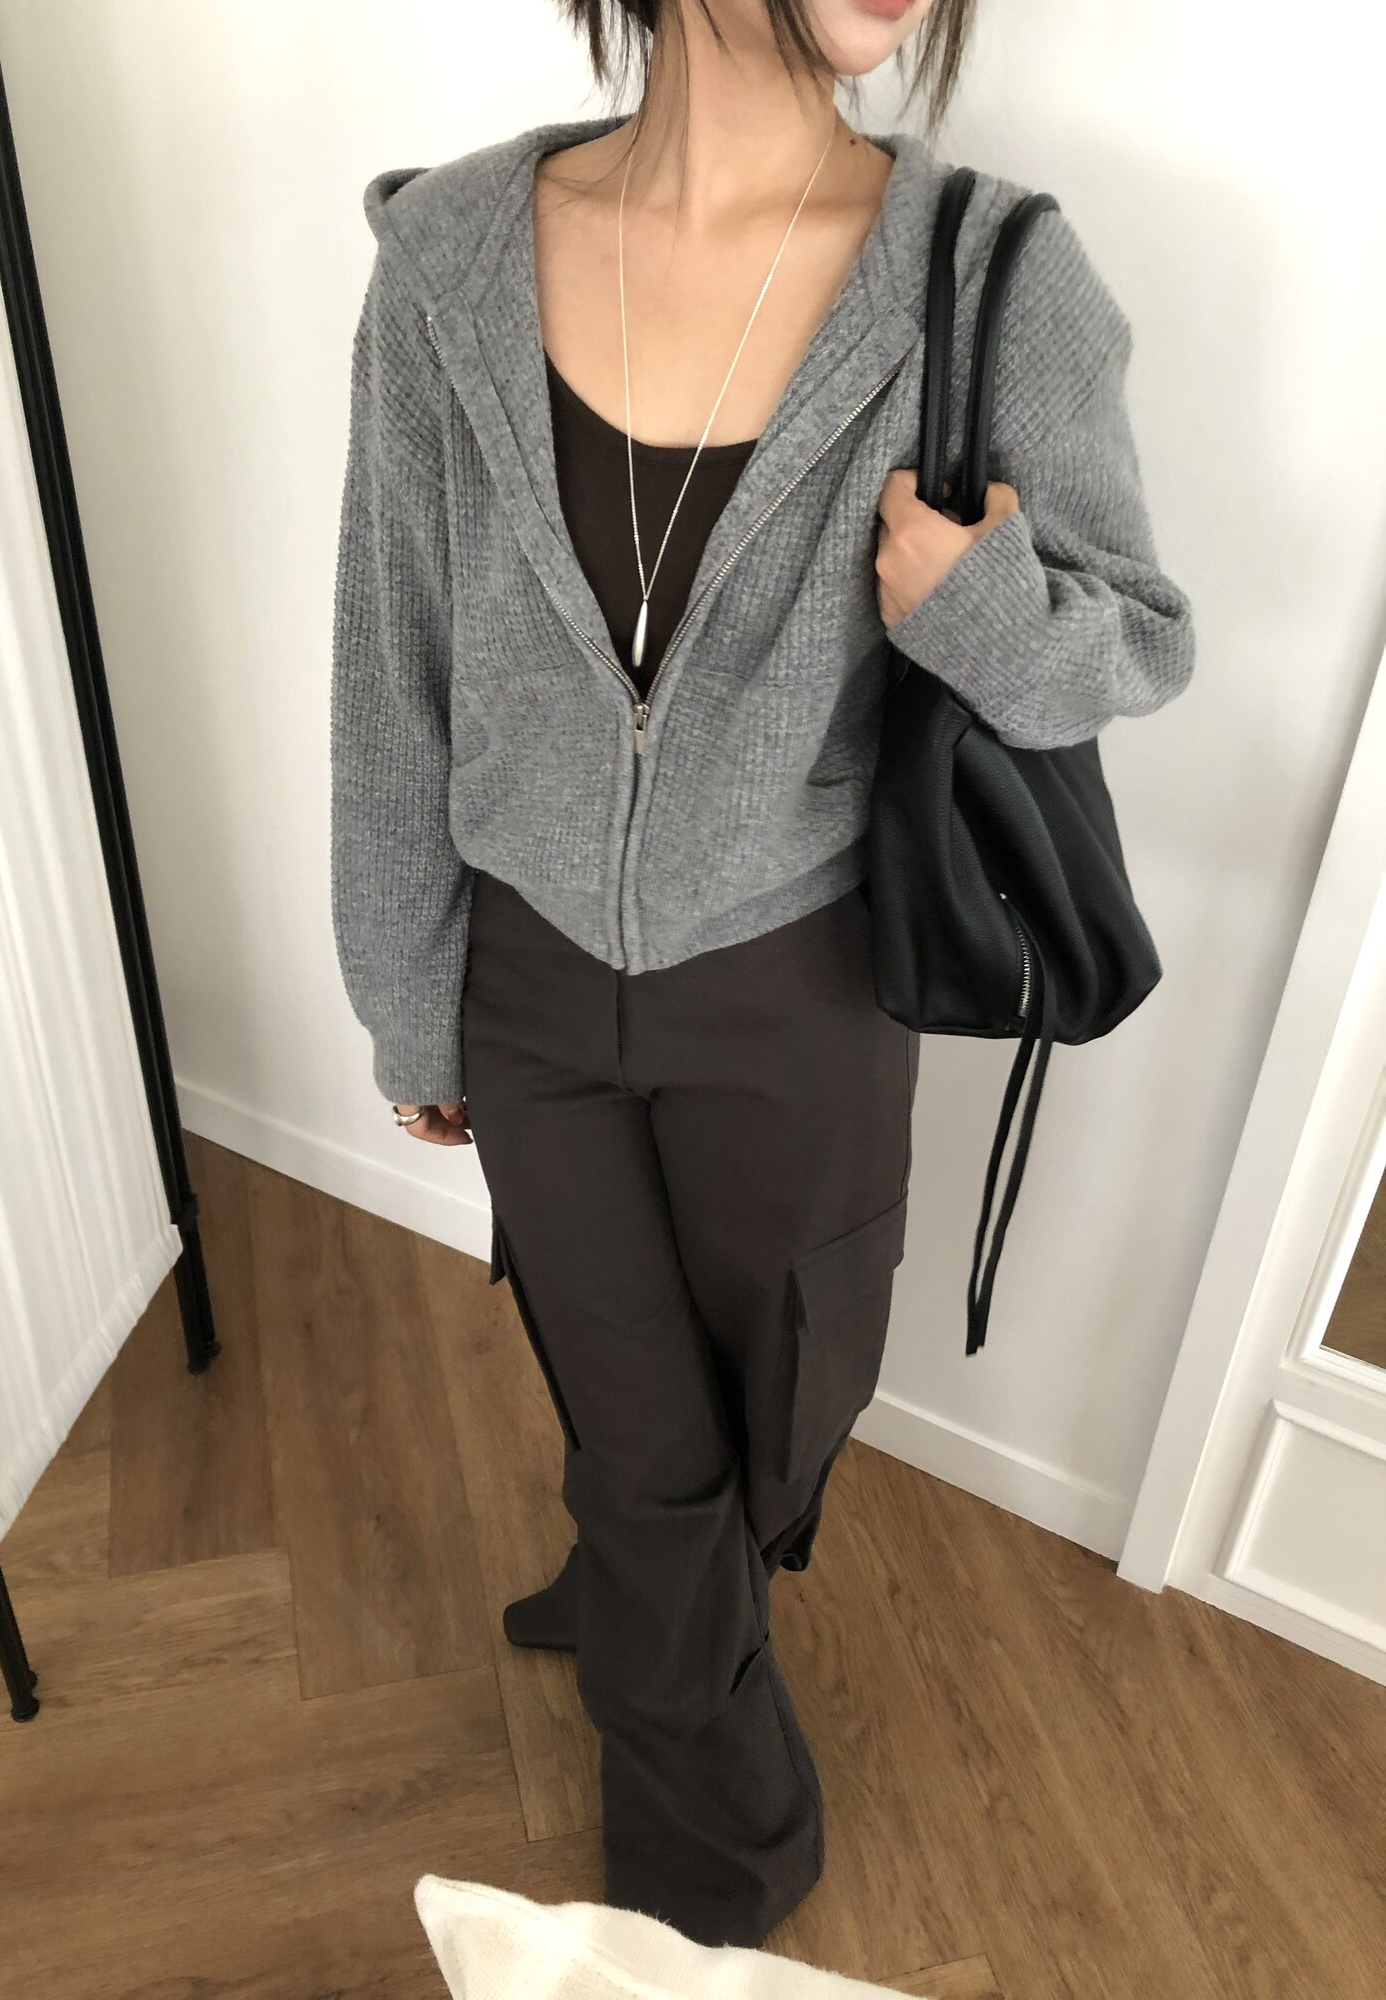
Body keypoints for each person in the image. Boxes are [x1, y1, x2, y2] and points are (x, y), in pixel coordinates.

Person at [330, 0, 1196, 1950]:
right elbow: (391, 663)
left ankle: (640, 1583)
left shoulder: (990, 275)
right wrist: (408, 986)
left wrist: (975, 608)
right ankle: (717, 1865)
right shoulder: (452, 257)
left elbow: (1137, 639)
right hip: (532, 978)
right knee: (642, 1432)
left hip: (803, 987)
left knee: (780, 1409)